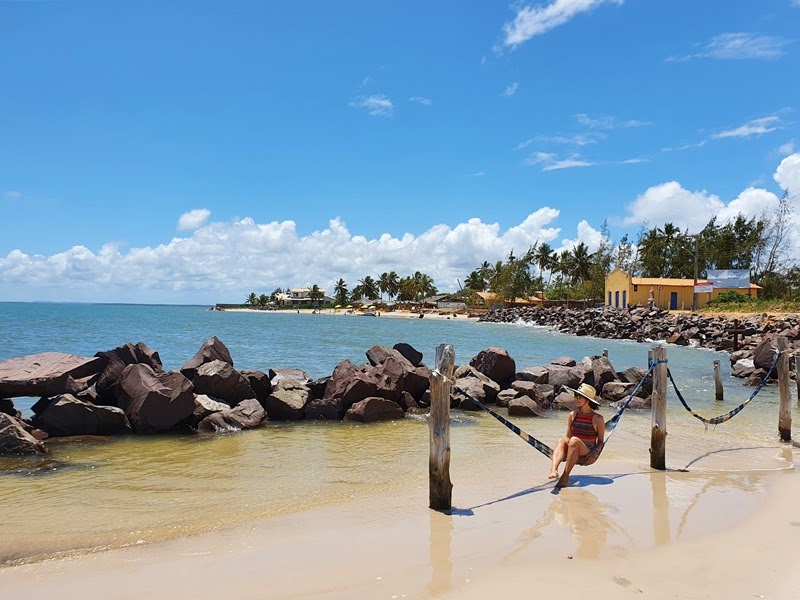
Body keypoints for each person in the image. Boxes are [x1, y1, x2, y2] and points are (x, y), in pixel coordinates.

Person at [548, 383, 604, 488]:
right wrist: (564, 448)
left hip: (587, 454)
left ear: (588, 400)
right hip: (572, 451)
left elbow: (601, 441)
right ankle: (553, 470)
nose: (576, 399)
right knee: (562, 440)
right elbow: (567, 436)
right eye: (575, 395)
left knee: (574, 440)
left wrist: (595, 452)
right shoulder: (572, 415)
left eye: (579, 396)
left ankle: (565, 477)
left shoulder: (597, 419)